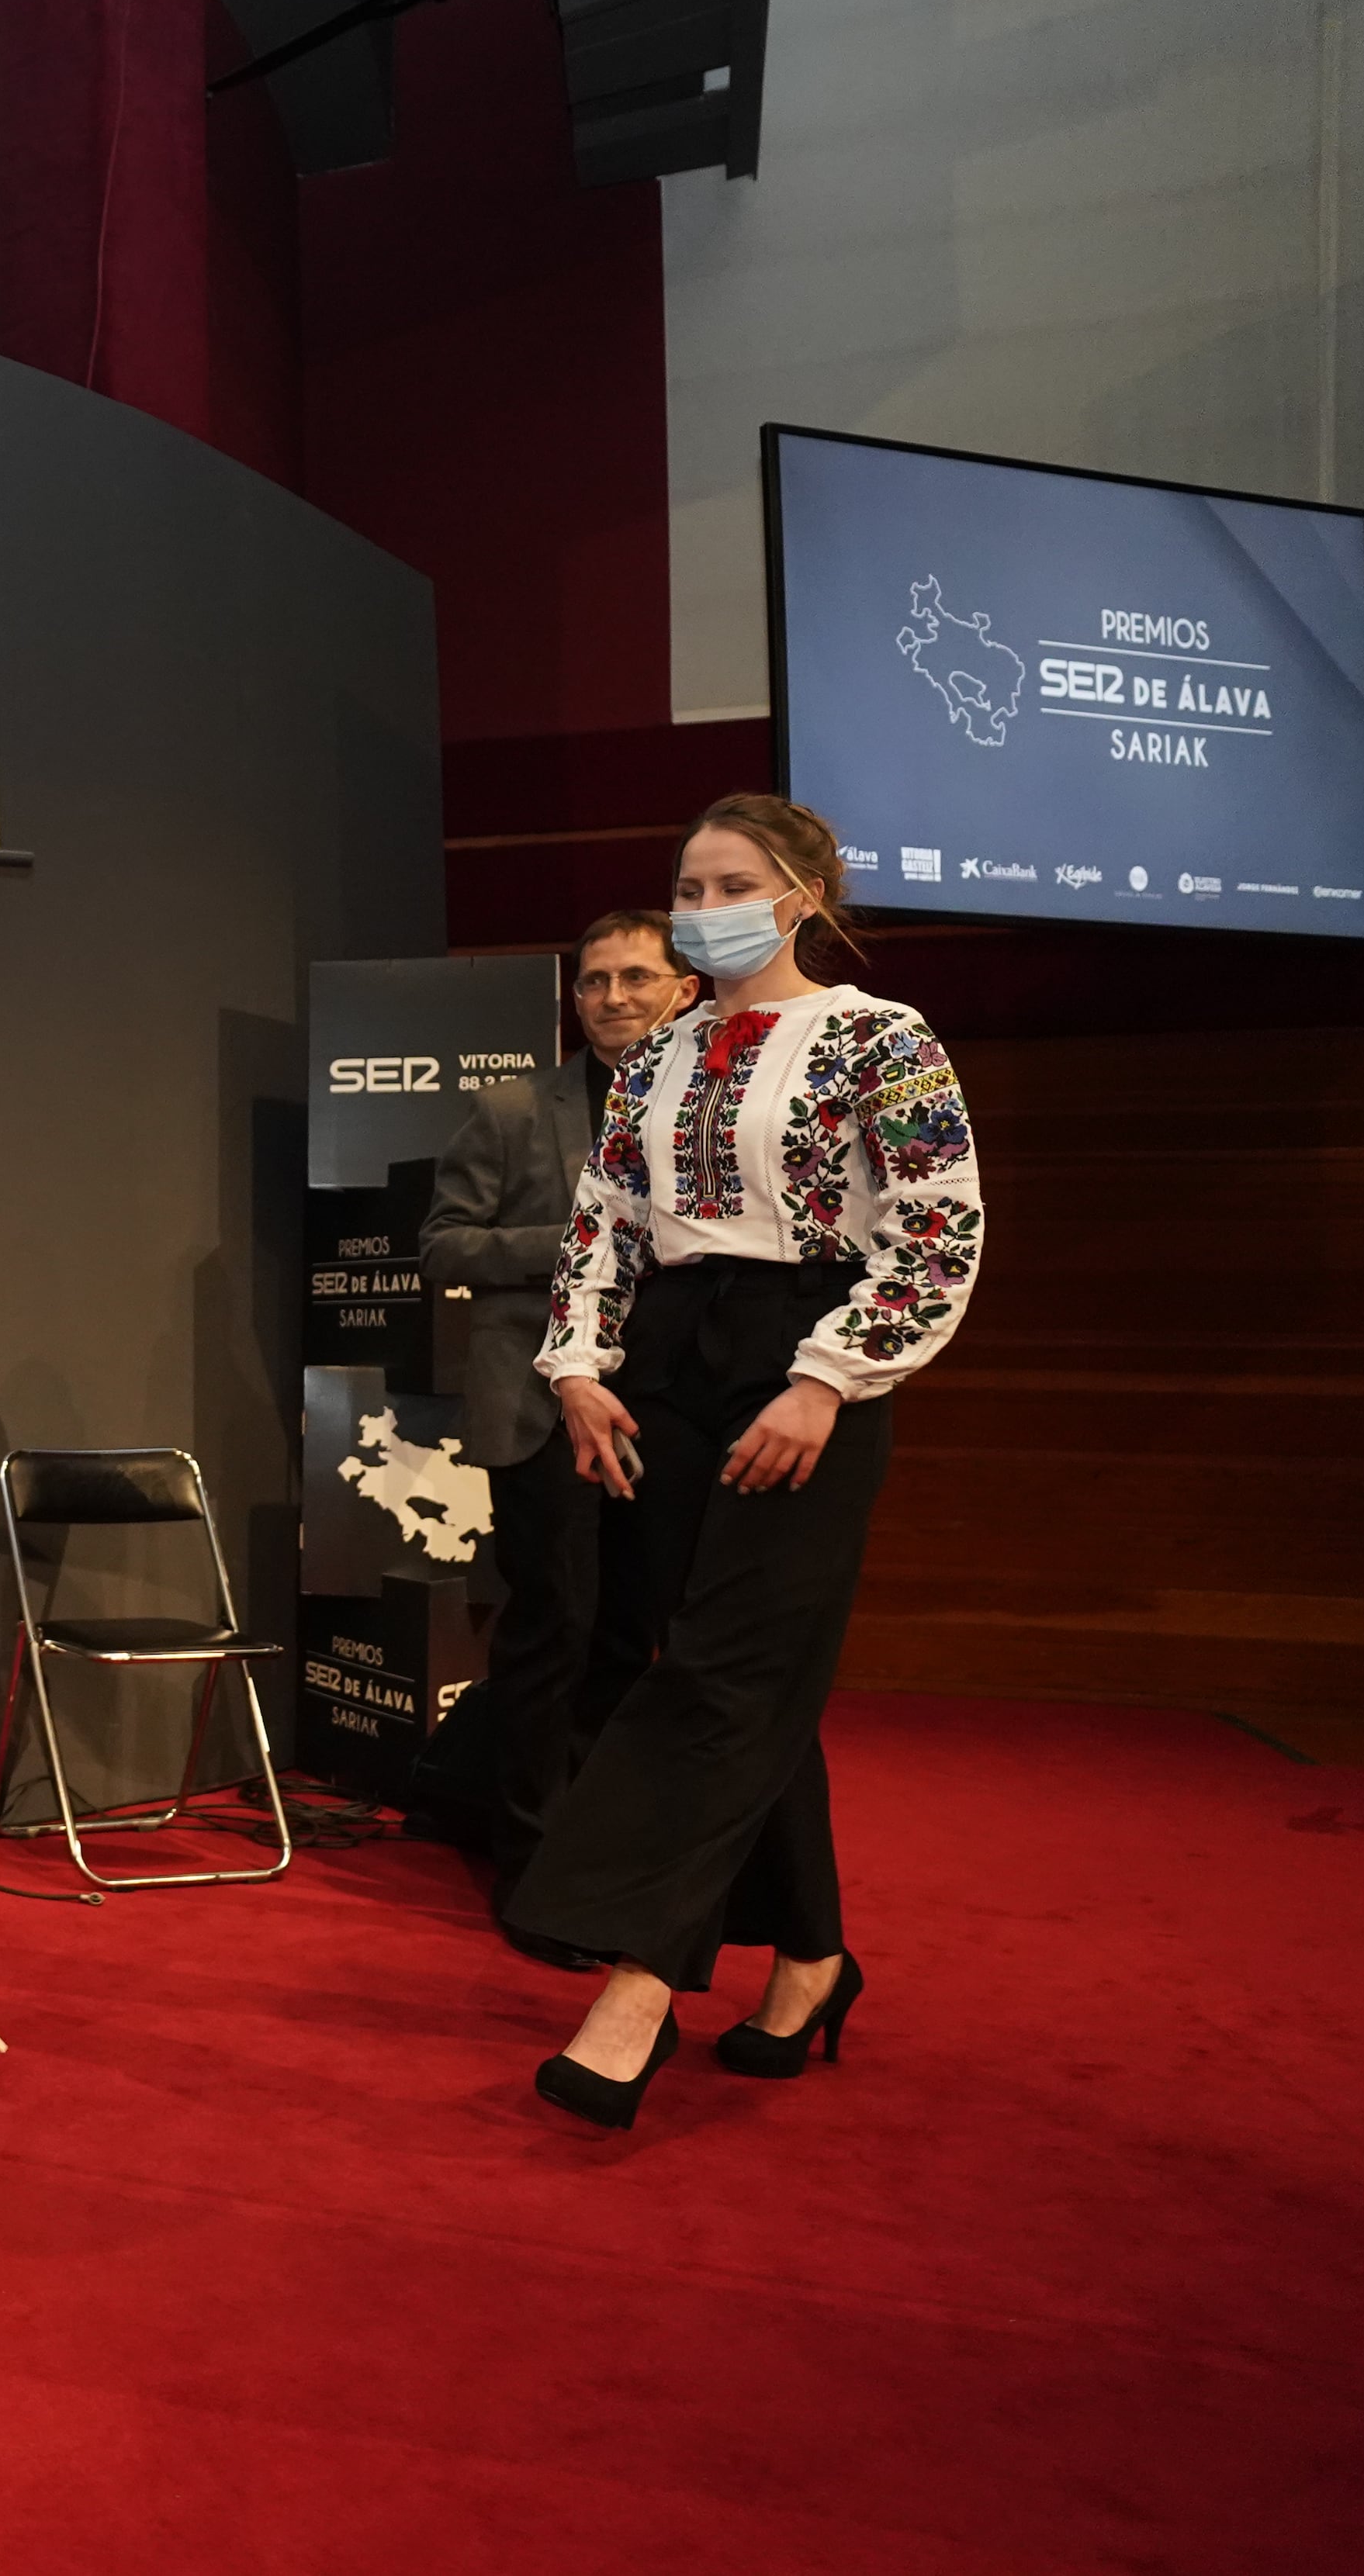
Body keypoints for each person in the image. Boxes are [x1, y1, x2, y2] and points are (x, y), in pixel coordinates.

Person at [507, 794, 984, 2130]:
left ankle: (637, 1983)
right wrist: (582, 1368)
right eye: (685, 882)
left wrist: (828, 1379)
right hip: (665, 1365)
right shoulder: (655, 1057)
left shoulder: (884, 1038)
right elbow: (601, 1221)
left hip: (809, 1353)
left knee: (726, 1673)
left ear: (803, 894)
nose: (699, 903)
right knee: (724, 1671)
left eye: (727, 880)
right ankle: (815, 1957)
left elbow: (937, 1231)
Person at [414, 911, 696, 1955]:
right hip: (542, 1416)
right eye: (594, 981)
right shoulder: (510, 1109)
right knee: (555, 1636)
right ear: (572, 999)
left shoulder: (708, 1107)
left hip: (667, 1414)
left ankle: (604, 1855)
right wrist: (585, 1234)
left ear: (684, 990)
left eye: (636, 977)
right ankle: (531, 1870)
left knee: (632, 1641)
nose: (614, 996)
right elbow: (441, 1243)